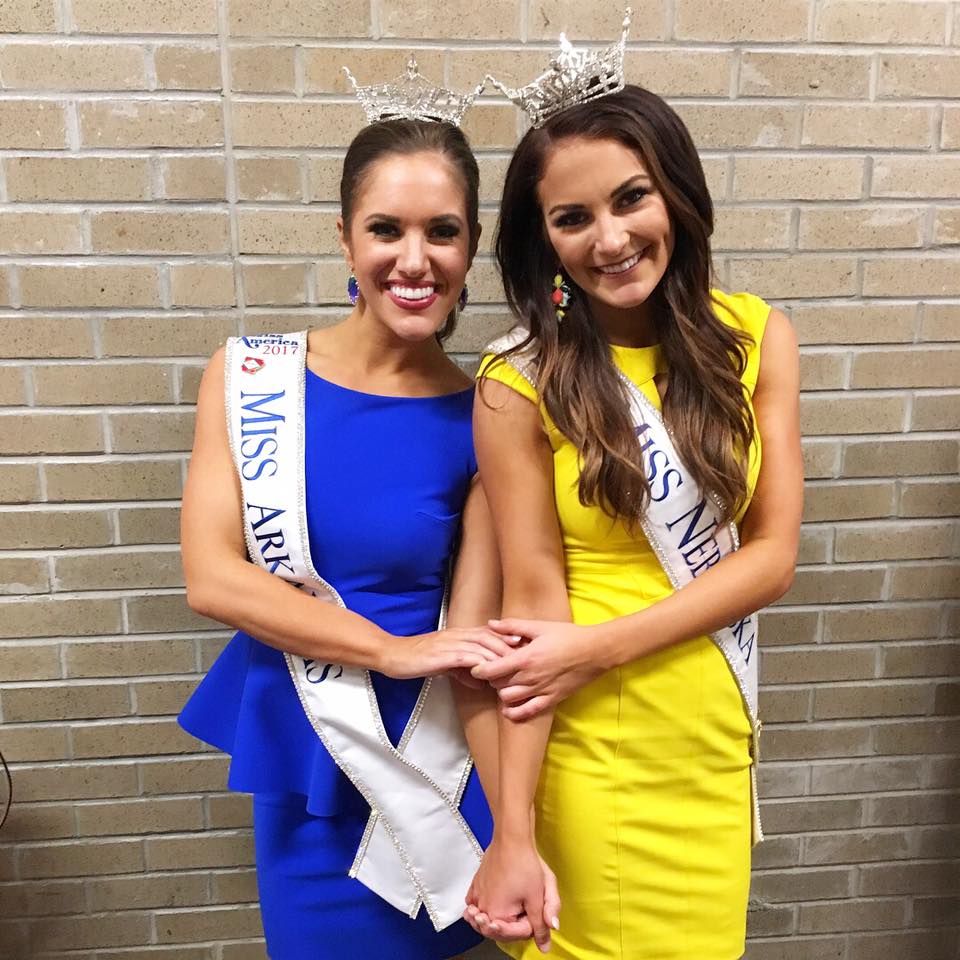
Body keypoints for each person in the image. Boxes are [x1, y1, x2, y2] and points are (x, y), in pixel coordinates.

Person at [463, 43, 803, 960]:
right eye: (572, 218)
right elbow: (534, 603)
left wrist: (598, 647)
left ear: (675, 195)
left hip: (710, 740)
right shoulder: (517, 382)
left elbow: (772, 558)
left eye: (630, 199)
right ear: (544, 239)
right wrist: (513, 832)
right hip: (593, 754)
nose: (609, 240)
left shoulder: (756, 336)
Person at [178, 102, 514, 960]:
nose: (415, 260)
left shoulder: (486, 413)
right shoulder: (248, 377)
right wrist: (388, 650)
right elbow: (212, 577)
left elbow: (475, 625)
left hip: (430, 759)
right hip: (313, 751)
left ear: (472, 244)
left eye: (442, 231)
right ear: (344, 239)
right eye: (386, 229)